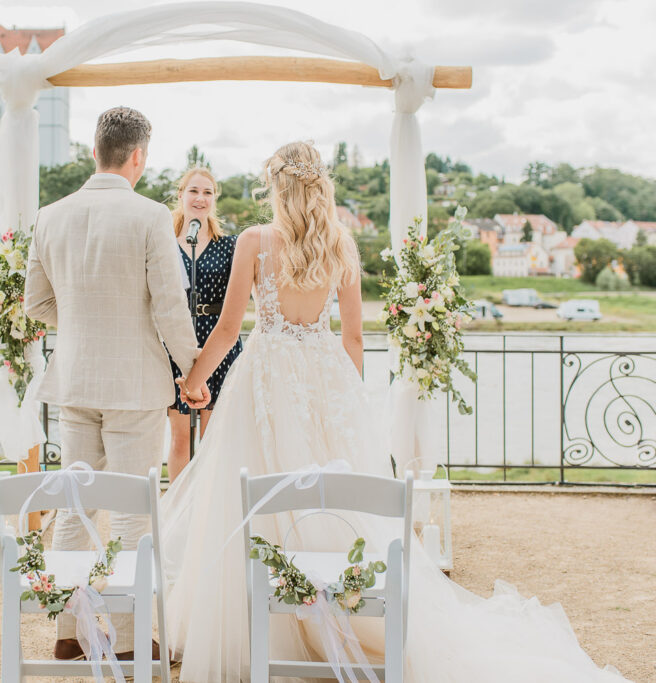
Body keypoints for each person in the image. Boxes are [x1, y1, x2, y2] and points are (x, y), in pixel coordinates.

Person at [161, 140, 625, 682]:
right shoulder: (339, 243)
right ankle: (332, 617)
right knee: (334, 498)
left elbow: (227, 328)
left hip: (263, 380)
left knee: (254, 495)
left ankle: (264, 630)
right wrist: (345, 402)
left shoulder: (254, 242)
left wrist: (194, 382)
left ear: (277, 188)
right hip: (325, 380)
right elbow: (354, 339)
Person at [23, 106, 208, 663]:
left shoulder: (49, 215)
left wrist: (86, 322)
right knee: (132, 511)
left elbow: (36, 304)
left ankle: (66, 634)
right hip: (135, 386)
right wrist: (193, 372)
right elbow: (170, 307)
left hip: (75, 382)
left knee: (75, 506)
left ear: (94, 152)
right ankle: (129, 642)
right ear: (137, 157)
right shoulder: (149, 216)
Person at [166, 167, 244, 482]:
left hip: (218, 341)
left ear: (214, 199)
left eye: (207, 192)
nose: (200, 198)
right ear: (181, 195)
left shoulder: (230, 245)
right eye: (194, 191)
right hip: (177, 341)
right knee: (180, 438)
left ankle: (208, 503)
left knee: (212, 439)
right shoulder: (165, 243)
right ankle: (178, 505)